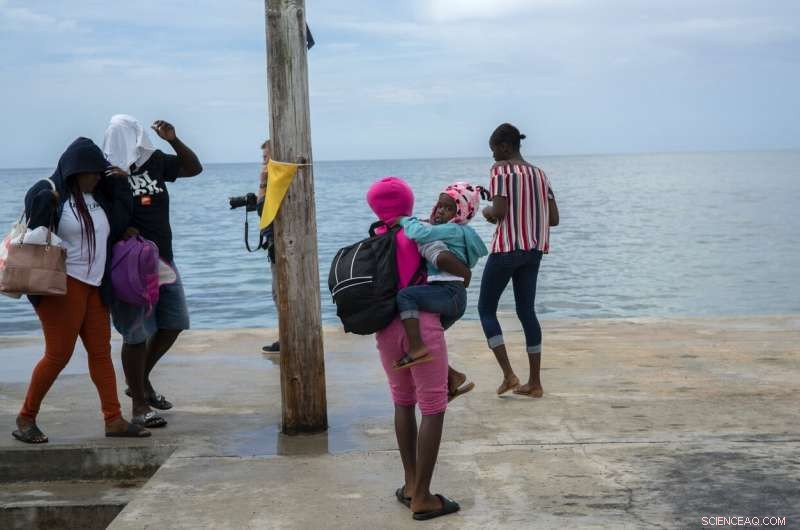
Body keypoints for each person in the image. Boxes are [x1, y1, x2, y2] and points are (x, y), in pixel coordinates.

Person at [13, 138, 150, 443]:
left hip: (95, 287)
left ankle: (113, 419)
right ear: (77, 170)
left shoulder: (97, 196)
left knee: (101, 353)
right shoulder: (50, 193)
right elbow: (35, 237)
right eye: (94, 172)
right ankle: (26, 418)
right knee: (58, 355)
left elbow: (115, 225)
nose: (99, 176)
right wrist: (43, 206)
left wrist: (121, 184)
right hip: (61, 287)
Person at [367, 177, 461, 520]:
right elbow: (447, 263)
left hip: (386, 331)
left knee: (403, 404)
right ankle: (423, 497)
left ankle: (409, 485)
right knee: (433, 408)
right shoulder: (419, 231)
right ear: (409, 202)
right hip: (421, 328)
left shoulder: (374, 237)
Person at [103, 114, 202, 428]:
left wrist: (173, 139)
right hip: (128, 262)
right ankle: (139, 407)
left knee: (174, 322)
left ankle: (140, 382)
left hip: (163, 258)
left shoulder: (155, 161)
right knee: (135, 334)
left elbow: (193, 168)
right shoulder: (103, 172)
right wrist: (120, 230)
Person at [478, 123, 560, 398]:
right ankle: (535, 382)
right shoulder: (540, 174)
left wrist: (488, 211)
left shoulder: (501, 170)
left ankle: (509, 375)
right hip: (534, 250)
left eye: (493, 150)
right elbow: (554, 219)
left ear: (505, 147)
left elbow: (499, 210)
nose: (492, 157)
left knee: (486, 309)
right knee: (527, 311)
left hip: (506, 248)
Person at [393, 182, 488, 369]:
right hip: (455, 296)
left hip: (448, 292)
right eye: (439, 205)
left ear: (460, 213)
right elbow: (431, 228)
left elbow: (419, 233)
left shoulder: (453, 229)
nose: (440, 211)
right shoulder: (460, 232)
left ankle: (416, 348)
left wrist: (405, 220)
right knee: (431, 336)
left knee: (406, 296)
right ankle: (452, 378)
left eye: (448, 208)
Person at [256, 140, 280, 354]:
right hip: (277, 242)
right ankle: (286, 335)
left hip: (280, 244)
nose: (263, 163)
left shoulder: (276, 179)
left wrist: (262, 184)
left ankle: (287, 337)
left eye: (266, 158)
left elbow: (263, 207)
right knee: (278, 292)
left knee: (279, 292)